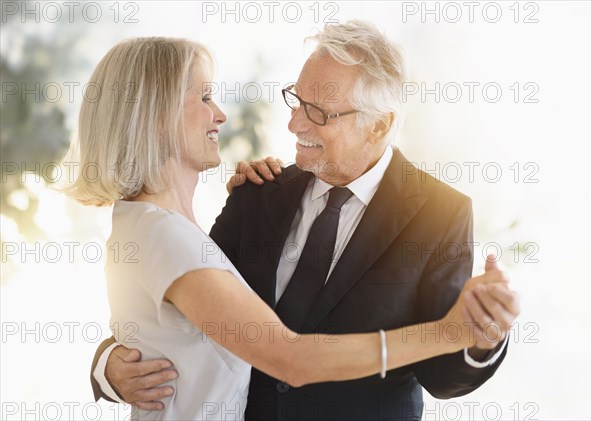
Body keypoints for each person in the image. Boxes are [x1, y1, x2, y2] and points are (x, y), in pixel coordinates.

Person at [89, 23, 520, 421]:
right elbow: (180, 314)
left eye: (317, 112)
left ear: (379, 125)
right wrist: (109, 364)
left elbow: (442, 378)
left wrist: (478, 336)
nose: (294, 122)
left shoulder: (440, 214)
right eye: (296, 100)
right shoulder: (258, 192)